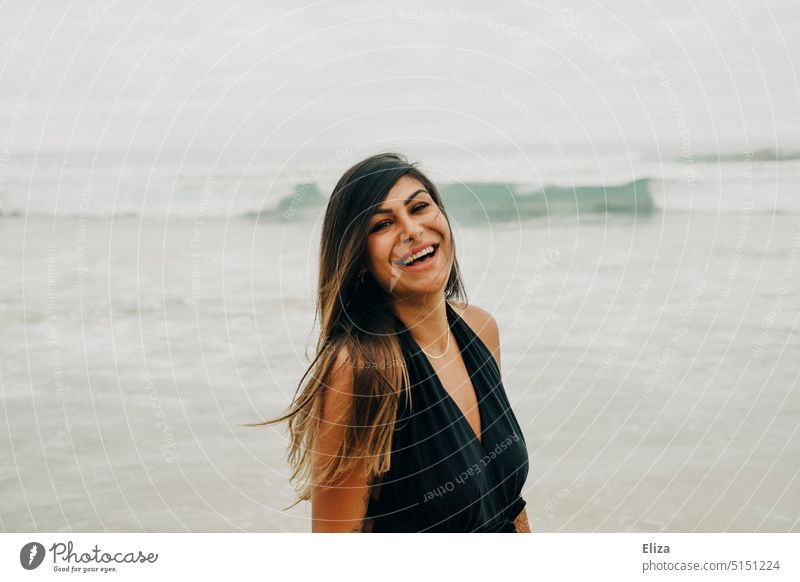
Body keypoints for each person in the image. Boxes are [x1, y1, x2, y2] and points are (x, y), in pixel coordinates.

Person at [253, 152, 530, 532]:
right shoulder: (360, 369)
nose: (412, 229)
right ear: (359, 257)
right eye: (383, 224)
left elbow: (508, 504)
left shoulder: (481, 329)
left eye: (419, 207)